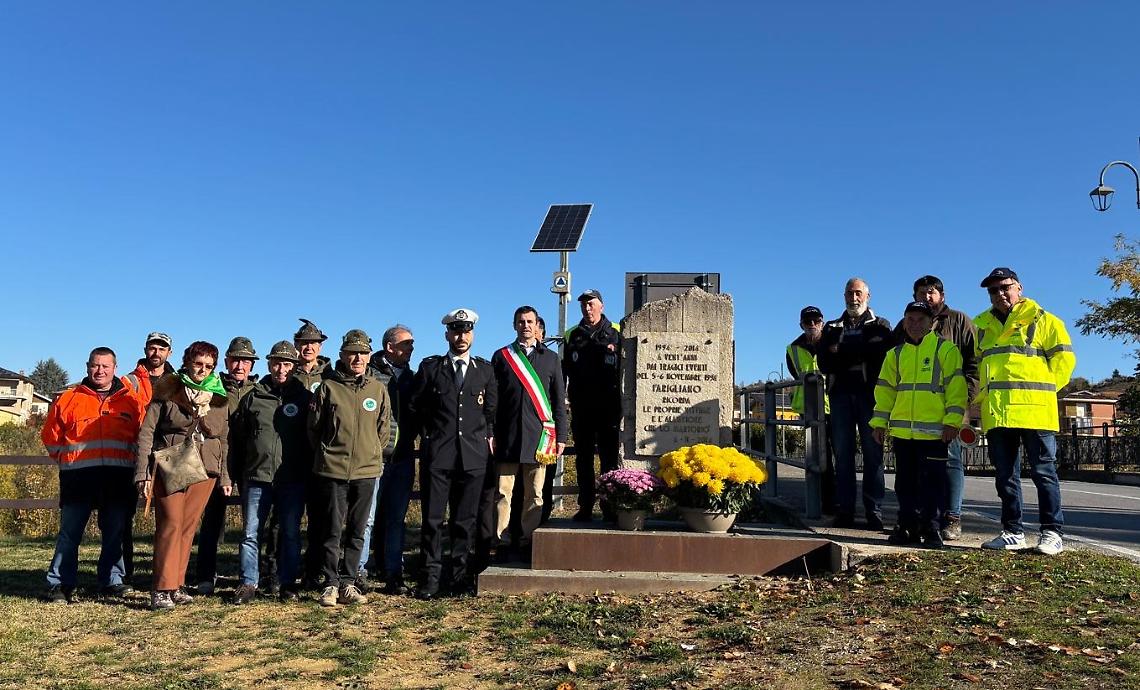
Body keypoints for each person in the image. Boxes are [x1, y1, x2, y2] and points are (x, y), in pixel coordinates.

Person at [974, 268, 1075, 555]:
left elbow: (1064, 362)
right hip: (999, 413)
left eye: (1005, 287)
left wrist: (1040, 392)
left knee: (1044, 474)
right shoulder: (982, 326)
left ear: (1019, 287)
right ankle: (1012, 532)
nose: (999, 294)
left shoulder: (1044, 320)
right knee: (1005, 477)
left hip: (1035, 412)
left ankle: (1052, 533)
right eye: (993, 290)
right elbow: (981, 370)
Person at [41, 347, 143, 603]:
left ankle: (112, 581)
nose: (100, 371)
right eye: (95, 365)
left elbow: (142, 436)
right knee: (69, 533)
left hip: (118, 477)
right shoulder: (68, 398)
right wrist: (68, 461)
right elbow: (51, 438)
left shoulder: (131, 400)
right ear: (87, 367)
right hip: (79, 478)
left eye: (105, 366)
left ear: (115, 368)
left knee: (115, 532)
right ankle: (60, 584)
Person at [135, 341, 232, 610]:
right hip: (174, 462)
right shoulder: (168, 389)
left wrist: (225, 477)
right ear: (187, 362)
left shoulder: (219, 396)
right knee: (170, 525)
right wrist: (142, 472)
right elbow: (146, 433)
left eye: (209, 366)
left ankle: (176, 585)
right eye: (198, 364)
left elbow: (224, 438)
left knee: (188, 528)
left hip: (206, 468)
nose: (202, 370)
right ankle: (160, 588)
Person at [409, 309, 497, 599]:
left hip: (472, 458)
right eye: (456, 331)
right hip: (439, 456)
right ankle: (431, 578)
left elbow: (490, 411)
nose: (461, 337)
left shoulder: (484, 370)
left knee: (464, 521)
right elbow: (417, 407)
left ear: (472, 334)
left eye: (466, 331)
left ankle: (458, 577)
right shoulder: (431, 368)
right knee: (433, 521)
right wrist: (429, 436)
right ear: (447, 334)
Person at [871, 301, 967, 550]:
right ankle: (907, 526)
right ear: (904, 322)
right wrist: (879, 423)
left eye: (921, 320)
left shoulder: (945, 350)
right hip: (903, 433)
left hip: (935, 433)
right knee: (904, 482)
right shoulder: (895, 354)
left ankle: (932, 527)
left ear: (931, 323)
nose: (914, 325)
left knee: (933, 483)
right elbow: (885, 392)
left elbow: (956, 390)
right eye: (910, 320)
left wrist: (952, 422)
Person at [307, 329, 391, 606]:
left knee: (357, 530)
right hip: (333, 469)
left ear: (369, 357)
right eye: (352, 352)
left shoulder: (377, 389)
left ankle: (349, 582)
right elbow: (314, 429)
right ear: (342, 355)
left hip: (367, 471)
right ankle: (330, 583)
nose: (358, 357)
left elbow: (383, 430)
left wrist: (371, 453)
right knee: (331, 529)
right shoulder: (328, 387)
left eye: (363, 353)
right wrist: (329, 451)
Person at [894, 276, 979, 541]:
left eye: (931, 292)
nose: (926, 297)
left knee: (950, 462)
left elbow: (973, 362)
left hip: (952, 404)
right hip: (913, 415)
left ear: (941, 295)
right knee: (913, 471)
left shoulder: (959, 320)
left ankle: (951, 517)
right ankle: (917, 519)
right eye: (921, 292)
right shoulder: (905, 323)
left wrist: (964, 401)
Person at [230, 341, 312, 603]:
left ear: (294, 367)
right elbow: (239, 437)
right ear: (268, 364)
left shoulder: (304, 397)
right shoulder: (254, 396)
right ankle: (248, 583)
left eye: (287, 364)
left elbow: (312, 436)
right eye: (276, 363)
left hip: (291, 478)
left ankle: (287, 583)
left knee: (289, 532)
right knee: (250, 533)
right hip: (256, 477)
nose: (281, 369)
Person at [491, 306, 567, 559]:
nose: (526, 325)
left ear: (537, 326)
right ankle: (501, 540)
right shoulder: (502, 356)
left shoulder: (551, 358)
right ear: (514, 325)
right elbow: (493, 400)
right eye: (521, 321)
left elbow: (558, 401)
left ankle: (528, 541)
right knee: (503, 493)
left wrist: (563, 437)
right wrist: (490, 431)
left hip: (539, 438)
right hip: (508, 437)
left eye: (530, 321)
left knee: (535, 494)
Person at [818, 277, 894, 530]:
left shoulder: (881, 325)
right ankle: (845, 511)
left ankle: (874, 512)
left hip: (870, 397)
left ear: (868, 296)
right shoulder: (831, 327)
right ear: (844, 296)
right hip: (840, 397)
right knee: (843, 456)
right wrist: (858, 352)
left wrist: (843, 352)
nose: (854, 298)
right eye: (850, 293)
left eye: (858, 293)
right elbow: (824, 363)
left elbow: (880, 356)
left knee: (873, 455)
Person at [194, 336, 259, 595]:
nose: (240, 365)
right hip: (219, 461)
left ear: (252, 364)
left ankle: (252, 576)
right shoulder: (214, 387)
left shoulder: (259, 390)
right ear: (227, 361)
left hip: (252, 464)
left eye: (245, 360)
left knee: (252, 524)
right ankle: (205, 576)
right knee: (212, 521)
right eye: (235, 360)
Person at [362, 324, 417, 594]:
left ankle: (393, 572)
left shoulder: (413, 378)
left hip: (403, 457)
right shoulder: (370, 377)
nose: (411, 348)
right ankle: (358, 571)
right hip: (373, 459)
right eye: (406, 344)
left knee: (396, 517)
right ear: (390, 347)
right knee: (368, 518)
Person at [121, 330, 176, 585]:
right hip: (136, 453)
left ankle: (164, 574)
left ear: (169, 353)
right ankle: (124, 573)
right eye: (153, 347)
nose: (157, 352)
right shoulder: (129, 381)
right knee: (125, 516)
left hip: (168, 454)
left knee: (169, 517)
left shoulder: (178, 382)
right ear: (145, 350)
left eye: (162, 348)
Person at [562, 289, 621, 522]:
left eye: (591, 304)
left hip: (609, 408)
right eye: (584, 305)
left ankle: (609, 506)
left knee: (609, 459)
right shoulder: (571, 334)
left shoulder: (617, 331)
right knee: (583, 459)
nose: (587, 309)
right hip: (582, 408)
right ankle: (585, 505)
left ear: (602, 306)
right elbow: (564, 371)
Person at [786, 305, 835, 514]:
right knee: (816, 458)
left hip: (834, 405)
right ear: (801, 325)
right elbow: (795, 373)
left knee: (838, 454)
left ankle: (838, 502)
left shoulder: (833, 341)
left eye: (816, 321)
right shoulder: (793, 349)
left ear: (822, 322)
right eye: (808, 322)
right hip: (809, 408)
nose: (812, 325)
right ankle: (824, 502)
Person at [293, 318, 331, 393]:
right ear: (296, 345)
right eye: (304, 342)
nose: (309, 347)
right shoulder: (288, 375)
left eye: (313, 343)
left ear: (320, 346)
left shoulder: (331, 376)